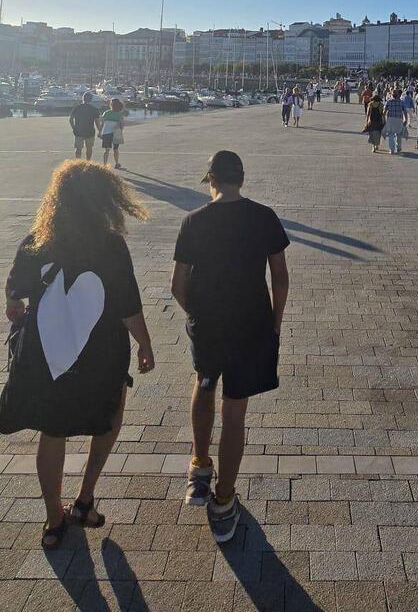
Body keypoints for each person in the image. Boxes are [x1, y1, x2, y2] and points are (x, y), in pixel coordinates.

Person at [3, 161, 155, 547]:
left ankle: (53, 520)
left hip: (47, 351)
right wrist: (144, 343)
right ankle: (85, 499)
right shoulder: (110, 245)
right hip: (102, 351)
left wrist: (16, 308)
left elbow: (14, 292)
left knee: (52, 430)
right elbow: (127, 305)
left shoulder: (37, 240)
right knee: (108, 417)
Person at [171, 151, 289, 544]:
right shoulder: (264, 217)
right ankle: (223, 502)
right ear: (242, 179)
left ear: (212, 180)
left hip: (208, 326)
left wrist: (197, 315)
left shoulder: (194, 220)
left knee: (204, 384)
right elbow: (280, 277)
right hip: (251, 324)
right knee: (235, 413)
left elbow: (177, 284)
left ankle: (199, 468)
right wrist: (274, 322)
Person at [70, 92, 100, 161]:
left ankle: (78, 162)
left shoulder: (77, 108)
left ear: (83, 98)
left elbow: (71, 119)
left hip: (79, 131)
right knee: (89, 148)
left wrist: (74, 128)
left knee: (78, 148)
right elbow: (97, 122)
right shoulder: (94, 109)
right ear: (91, 99)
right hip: (90, 132)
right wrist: (100, 131)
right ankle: (88, 161)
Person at [98, 98, 126, 168]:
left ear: (111, 104)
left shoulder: (106, 113)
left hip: (106, 132)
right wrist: (120, 131)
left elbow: (102, 124)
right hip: (116, 133)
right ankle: (116, 163)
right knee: (115, 149)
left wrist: (99, 132)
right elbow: (122, 125)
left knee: (107, 150)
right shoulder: (119, 114)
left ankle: (104, 165)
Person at [383, 89, 408, 155]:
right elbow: (405, 112)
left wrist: (384, 120)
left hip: (390, 119)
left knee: (391, 135)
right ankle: (398, 148)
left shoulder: (388, 102)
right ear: (398, 95)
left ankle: (392, 150)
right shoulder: (401, 102)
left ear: (392, 95)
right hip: (399, 119)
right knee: (399, 135)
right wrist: (406, 119)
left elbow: (384, 112)